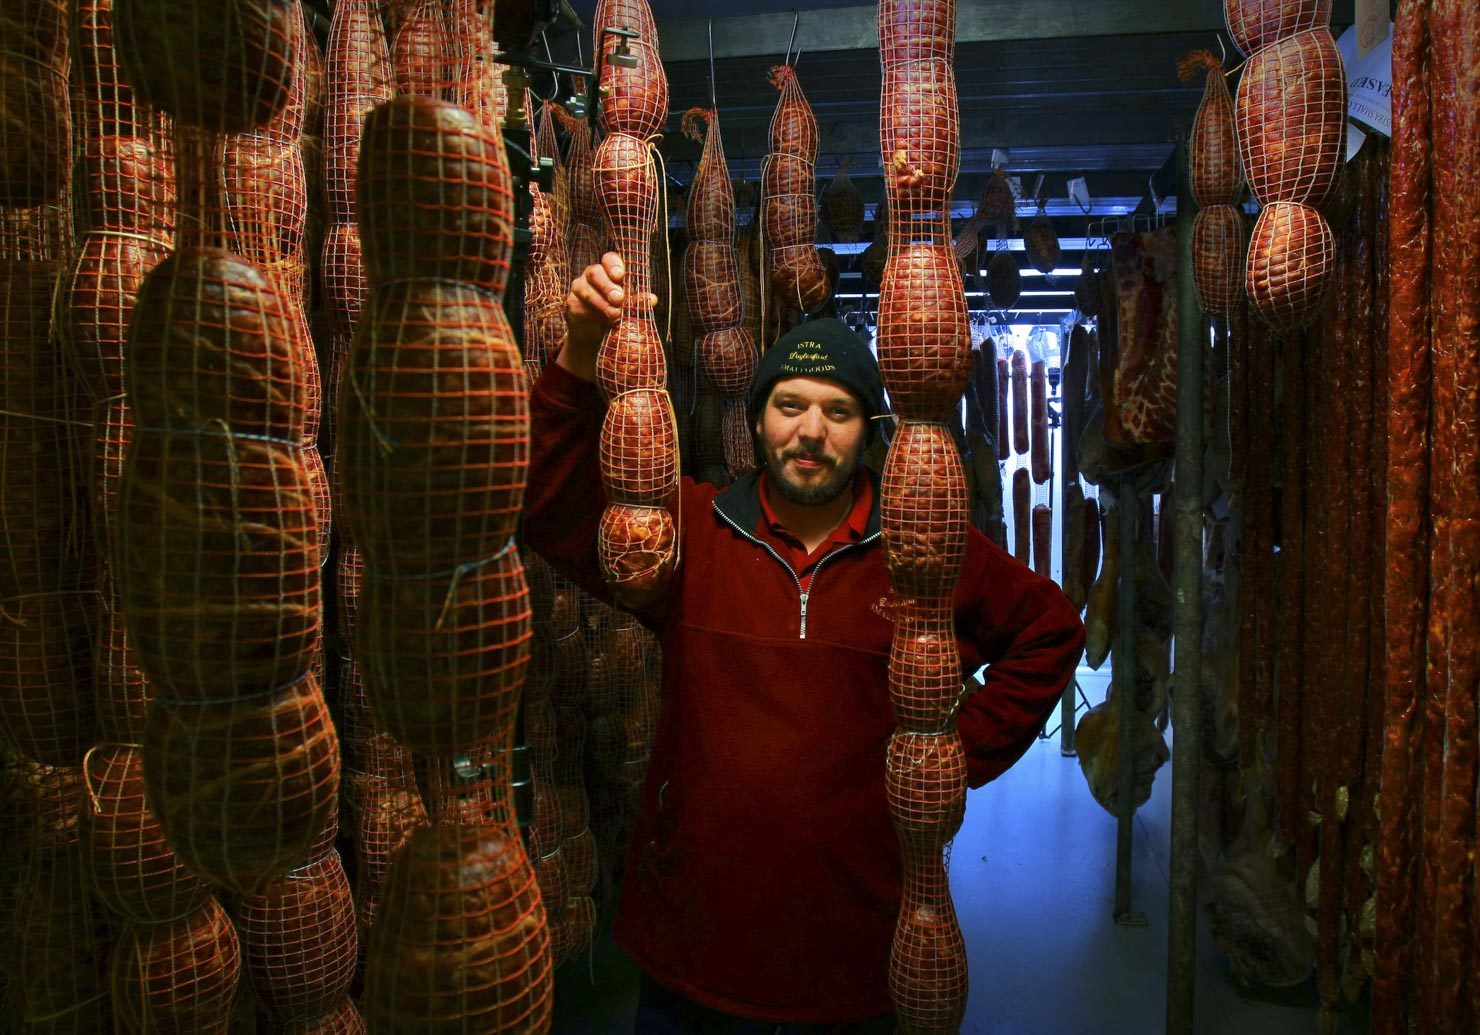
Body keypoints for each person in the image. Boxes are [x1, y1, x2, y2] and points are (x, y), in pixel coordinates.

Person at [522, 253, 1086, 1033]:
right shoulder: (692, 530)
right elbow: (549, 512)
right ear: (757, 421)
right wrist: (579, 352)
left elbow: (1050, 631)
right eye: (789, 405)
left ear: (869, 430)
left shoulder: (922, 545)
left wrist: (952, 751)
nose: (811, 431)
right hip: (693, 949)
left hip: (856, 959)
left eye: (839, 410)